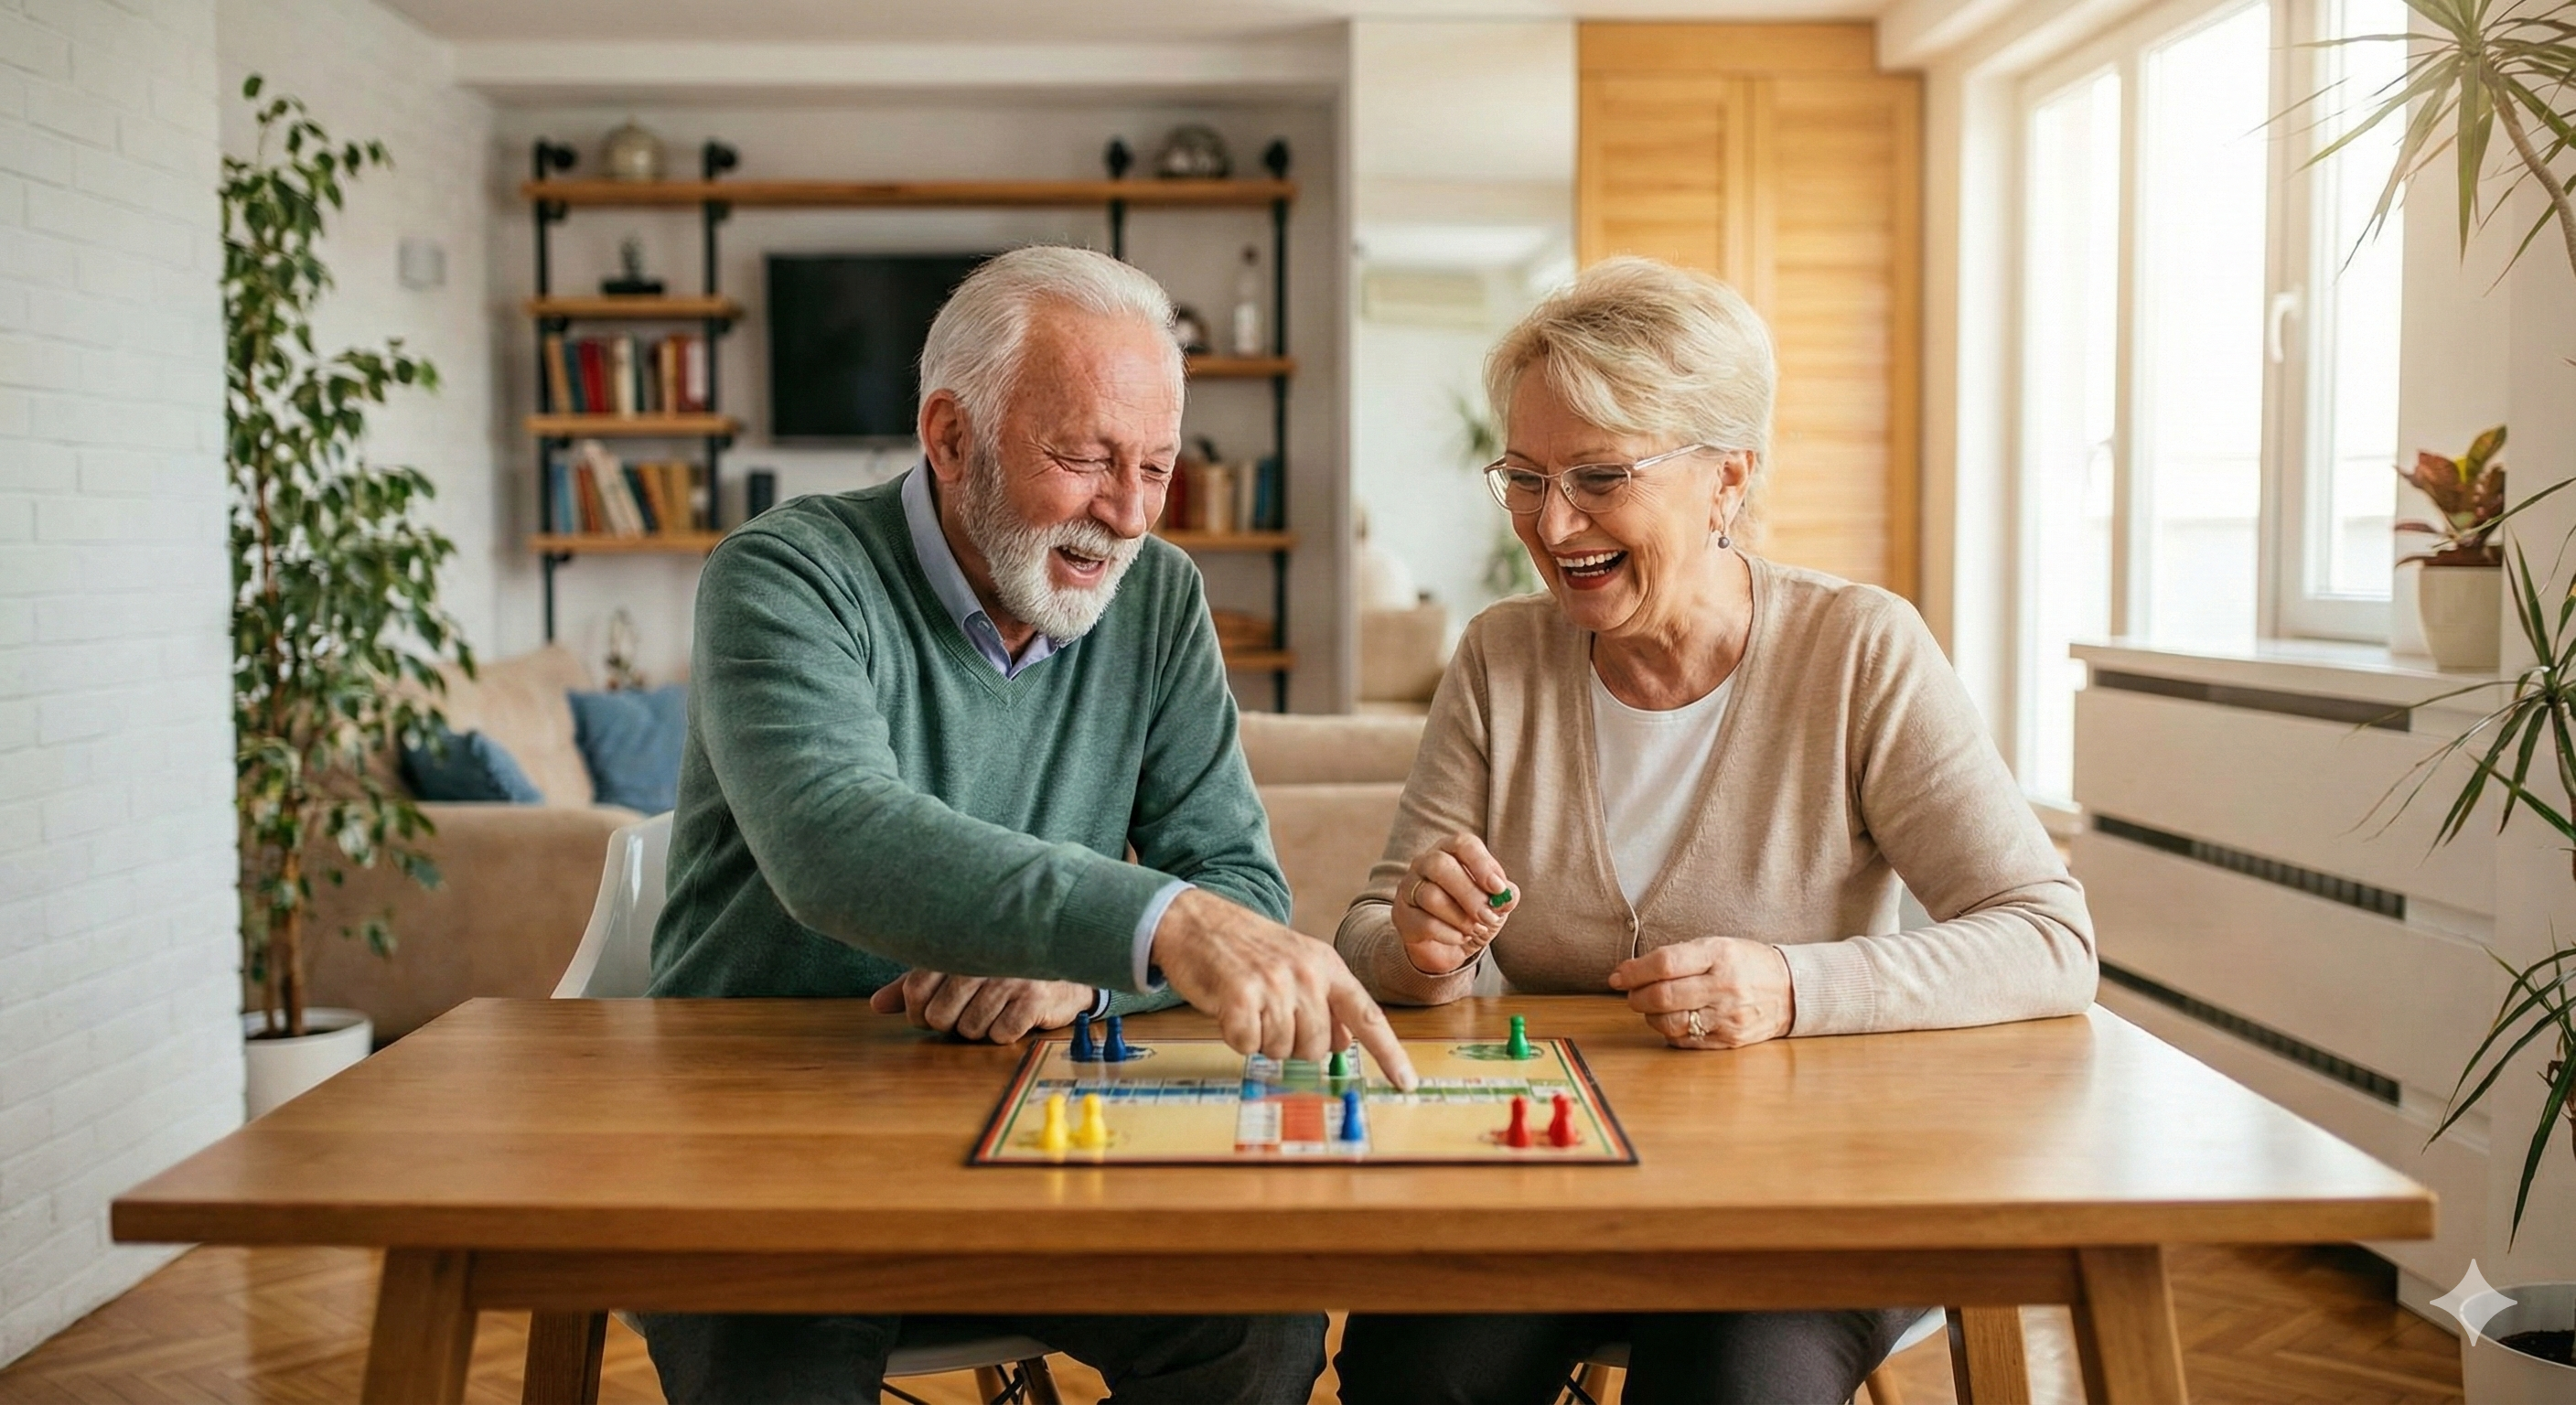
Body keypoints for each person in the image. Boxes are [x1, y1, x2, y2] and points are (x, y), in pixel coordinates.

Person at [644, 245, 1412, 1405]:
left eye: (1155, 467)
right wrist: (1159, 922)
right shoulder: (784, 574)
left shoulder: (1156, 599)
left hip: (1040, 1126)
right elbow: (832, 838)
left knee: (1258, 1330)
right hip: (773, 1133)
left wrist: (1082, 979)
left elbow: (1236, 883)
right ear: (949, 437)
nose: (1128, 513)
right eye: (1085, 459)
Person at [1330, 257, 2097, 1405]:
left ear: (1726, 476)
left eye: (1599, 475)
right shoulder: (1501, 658)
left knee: (1735, 1382)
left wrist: (1793, 989)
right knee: (1416, 1376)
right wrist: (1418, 948)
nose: (1553, 522)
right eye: (1527, 477)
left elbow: (2049, 938)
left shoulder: (1856, 653)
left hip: (1803, 1196)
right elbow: (1367, 939)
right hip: (1548, 1180)